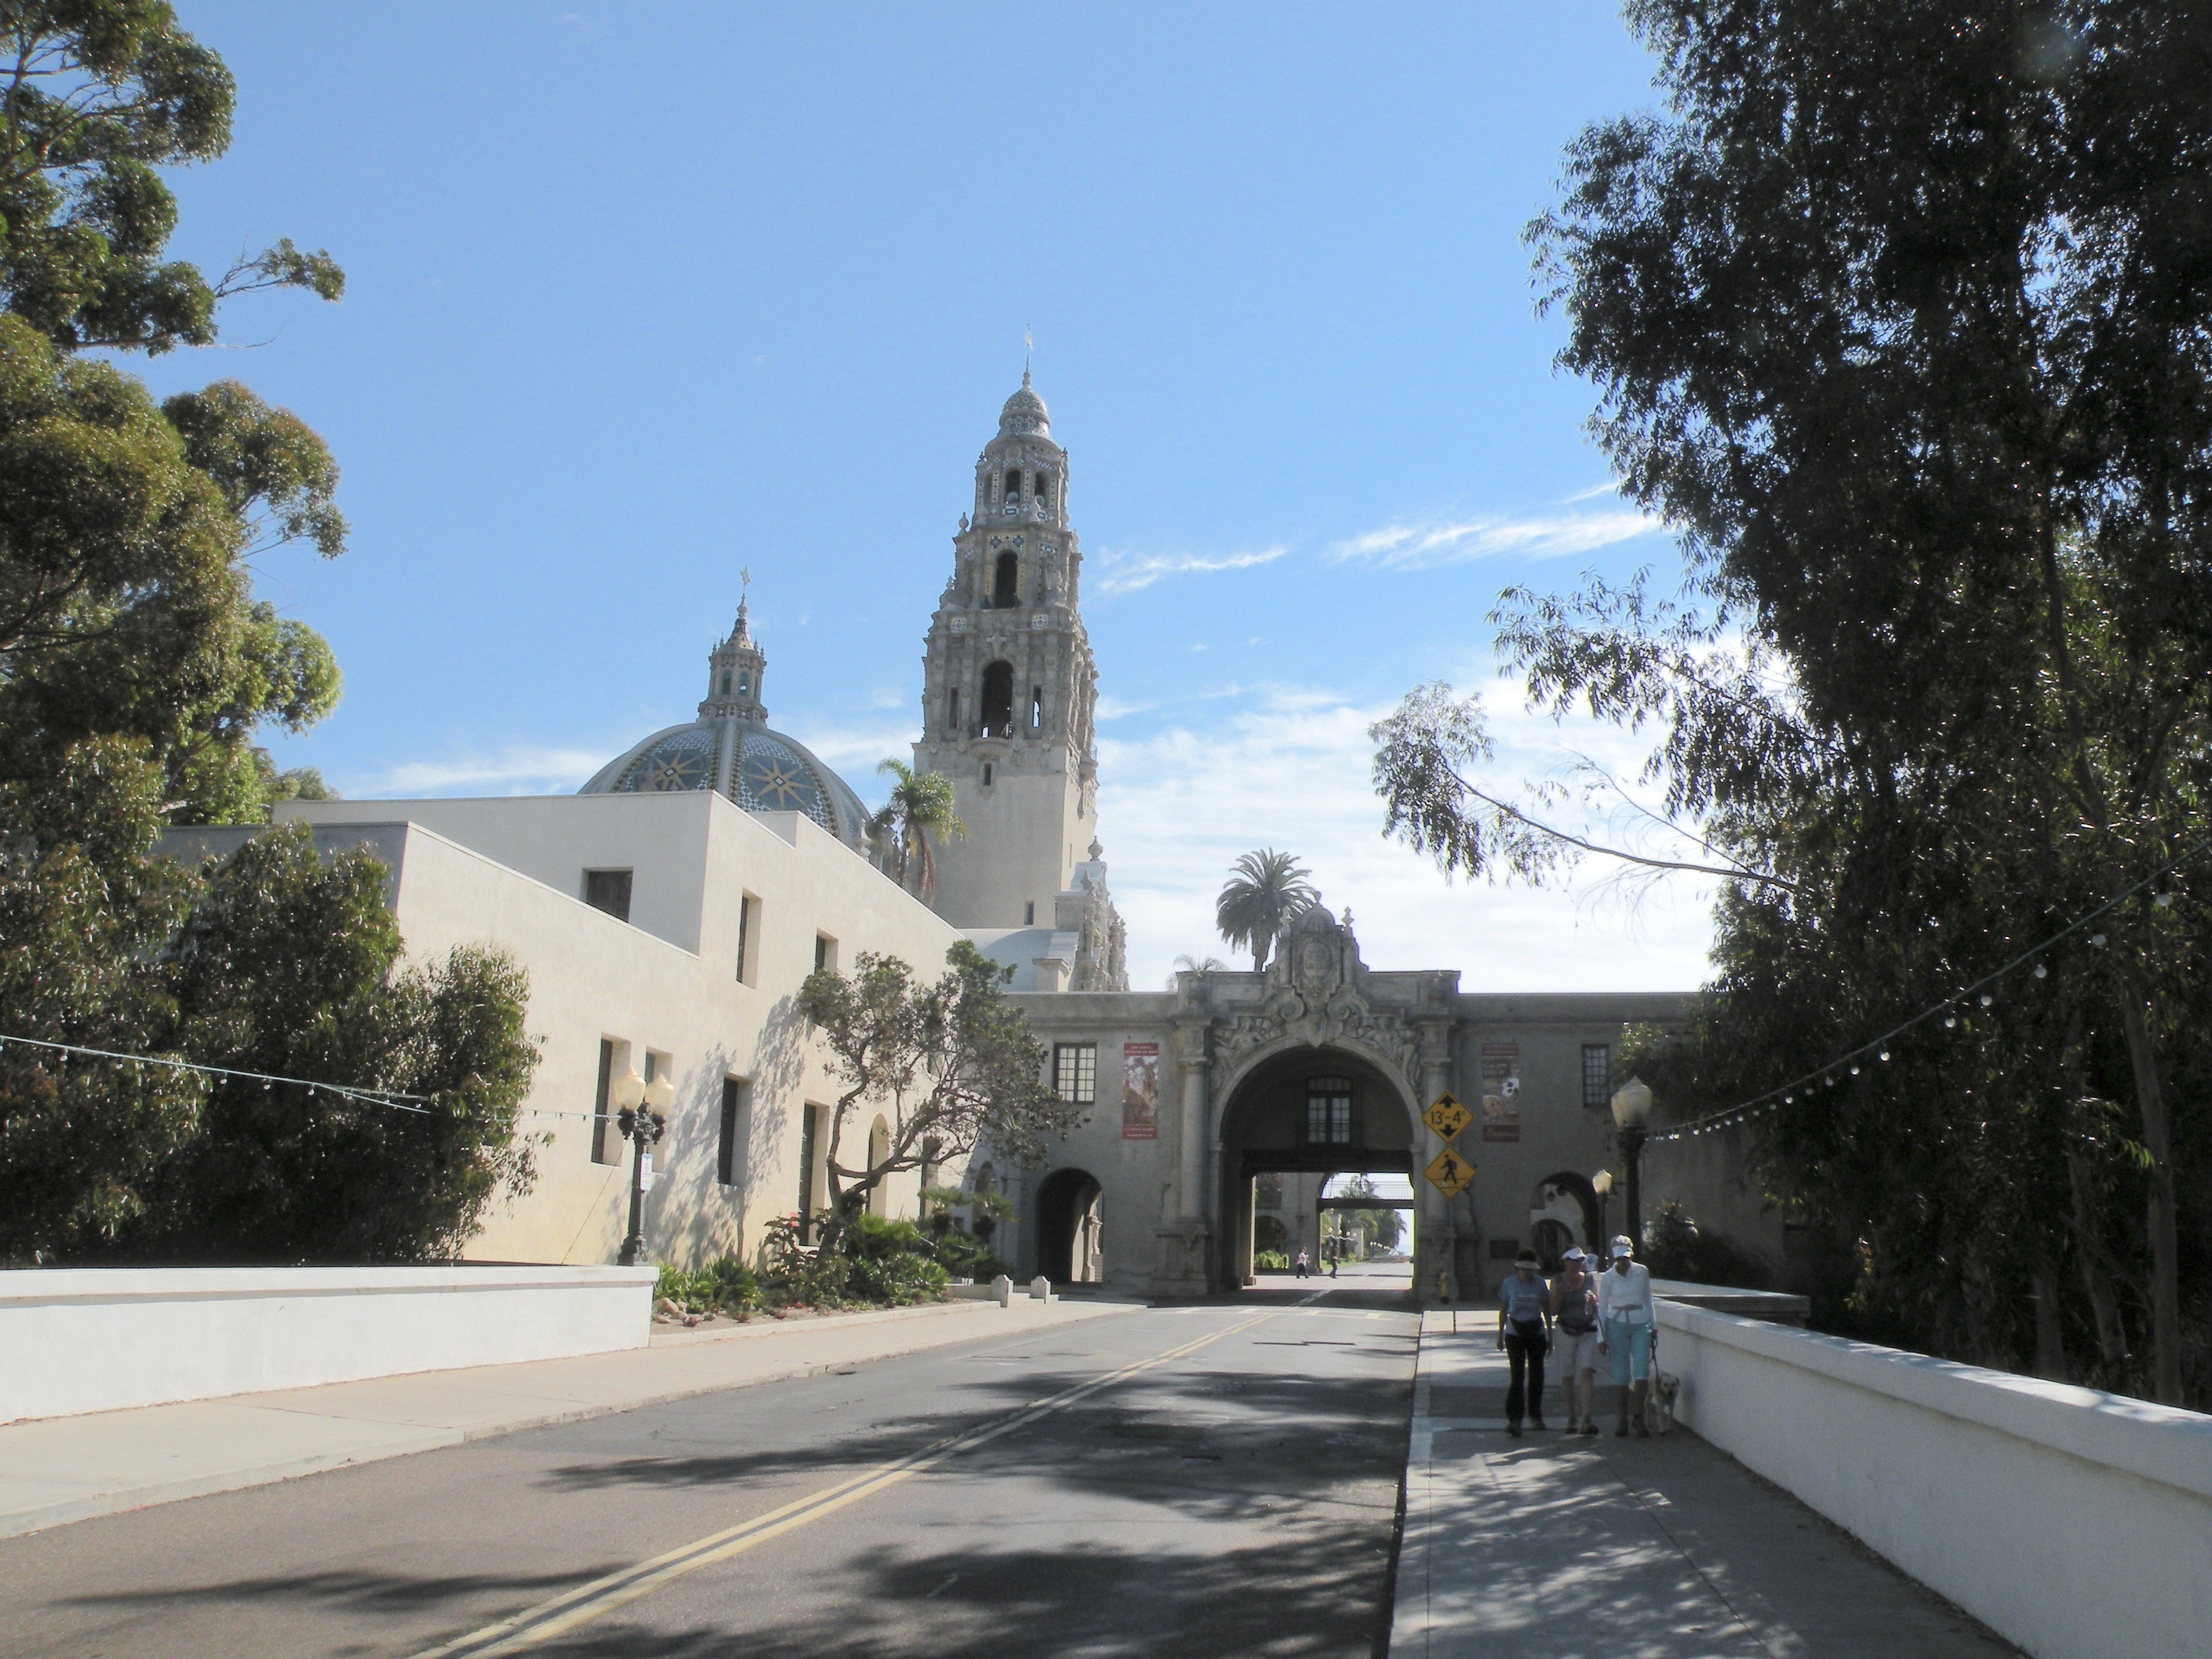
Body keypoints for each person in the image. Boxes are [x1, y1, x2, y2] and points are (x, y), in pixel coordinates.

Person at [1595, 1235, 1658, 1436]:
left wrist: (1653, 1325)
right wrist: (1601, 1337)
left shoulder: (1641, 1272)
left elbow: (1648, 1299)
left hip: (1640, 1321)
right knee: (1621, 1374)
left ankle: (1638, 1416)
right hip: (1617, 1323)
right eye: (1619, 1259)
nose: (1624, 1263)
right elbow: (1603, 1307)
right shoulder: (1609, 1277)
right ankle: (1622, 1418)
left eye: (1626, 1258)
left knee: (1642, 1371)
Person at [1495, 1247, 1552, 1436]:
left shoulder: (1540, 1284)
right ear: (1518, 1269)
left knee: (1537, 1375)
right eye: (1524, 1270)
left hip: (1536, 1331)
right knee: (1517, 1376)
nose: (1527, 1273)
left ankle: (1535, 1415)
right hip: (1515, 1332)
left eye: (1530, 1270)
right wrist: (1500, 1335)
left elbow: (1547, 1309)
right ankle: (1515, 1419)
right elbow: (1504, 1310)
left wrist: (1550, 1336)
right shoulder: (1509, 1284)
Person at [1549, 1245, 1600, 1436]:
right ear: (1565, 1261)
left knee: (1587, 1373)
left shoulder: (1589, 1279)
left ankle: (1586, 1419)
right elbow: (1552, 1310)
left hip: (1587, 1330)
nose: (1578, 1264)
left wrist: (1594, 1301)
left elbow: (1597, 1308)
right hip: (1565, 1330)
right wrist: (1561, 1296)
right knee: (1568, 1376)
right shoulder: (1557, 1281)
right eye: (1574, 1260)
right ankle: (1571, 1417)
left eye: (1581, 1260)